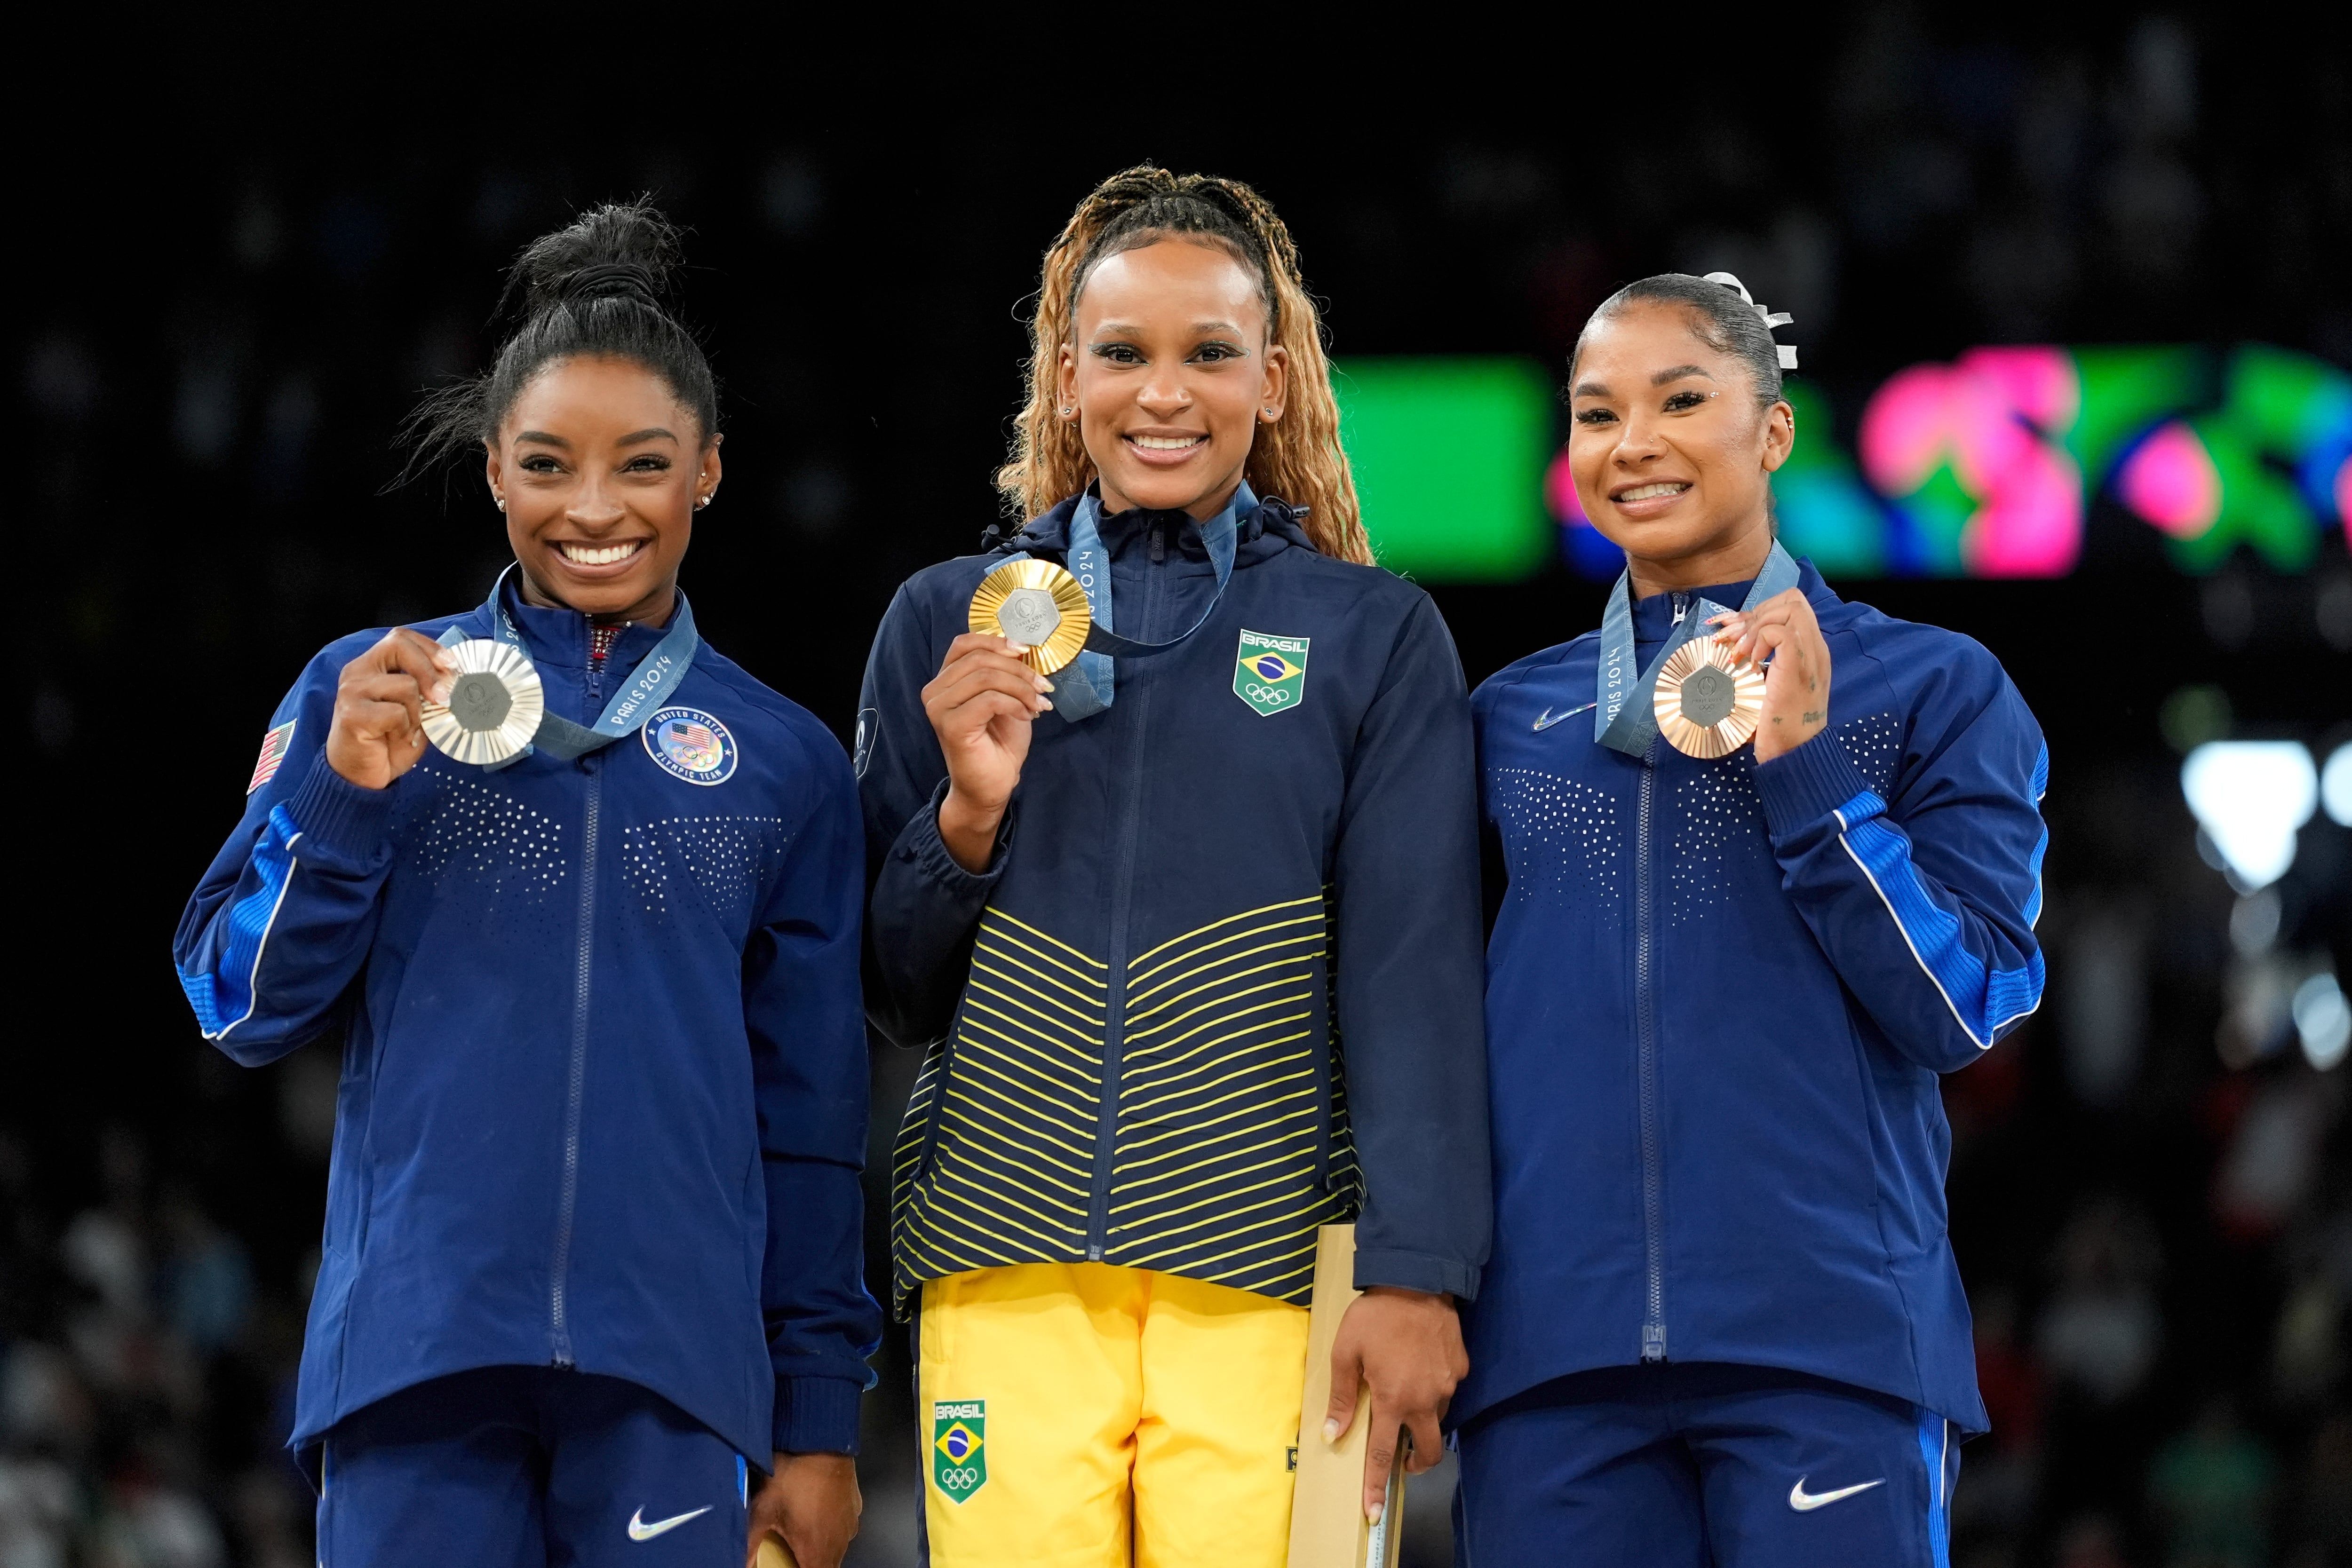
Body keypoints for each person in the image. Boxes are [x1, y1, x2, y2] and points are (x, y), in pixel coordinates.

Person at [171, 203, 876, 1568]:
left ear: (710, 475)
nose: (595, 508)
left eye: (645, 465)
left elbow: (811, 1118)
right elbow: (234, 1001)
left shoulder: (784, 762)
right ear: (496, 471)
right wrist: (341, 797)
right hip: (413, 1362)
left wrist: (820, 1420)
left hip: (674, 1385)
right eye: (549, 464)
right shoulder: (369, 690)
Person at [855, 166, 1489, 1567]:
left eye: (1209, 355)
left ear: (1273, 378)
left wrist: (1421, 1271)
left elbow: (1415, 972)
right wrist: (964, 817)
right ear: (1065, 371)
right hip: (1001, 1263)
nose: (1164, 394)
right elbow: (895, 989)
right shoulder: (941, 627)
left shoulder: (1372, 637)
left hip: (1269, 1276)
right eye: (1126, 354)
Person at [1457, 273, 2048, 1566]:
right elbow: (1424, 1021)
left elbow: (1966, 1005)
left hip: (1828, 1346)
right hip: (1550, 1355)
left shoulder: (1933, 685)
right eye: (1598, 413)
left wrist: (1810, 772)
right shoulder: (1508, 717)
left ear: (1771, 432)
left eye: (1681, 400)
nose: (1636, 443)